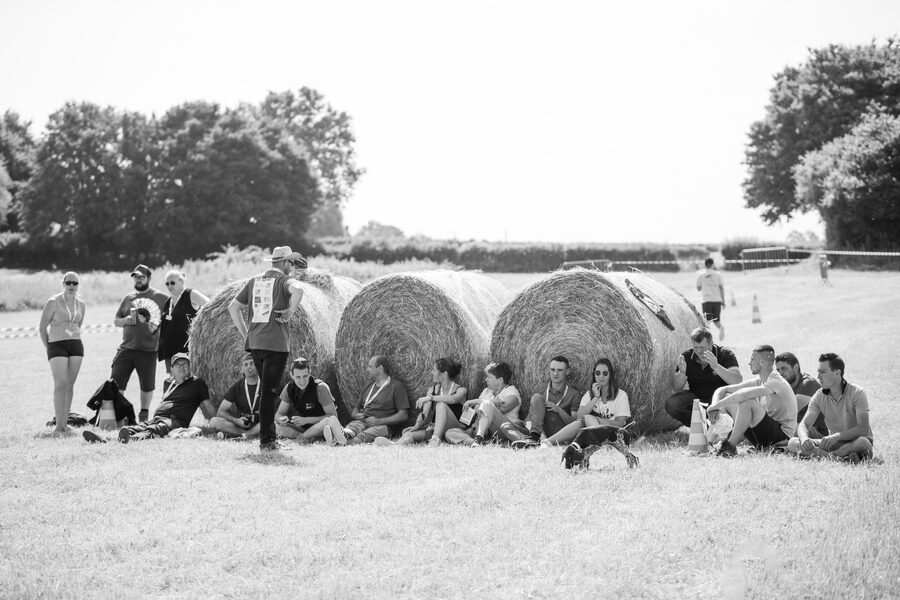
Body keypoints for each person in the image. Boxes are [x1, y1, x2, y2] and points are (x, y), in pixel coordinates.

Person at [228, 246, 306, 452]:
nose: (292, 267)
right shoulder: (282, 281)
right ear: (285, 263)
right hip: (275, 345)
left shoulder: (254, 281)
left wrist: (246, 334)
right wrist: (290, 310)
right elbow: (299, 290)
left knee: (266, 391)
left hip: (255, 344)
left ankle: (267, 438)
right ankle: (267, 441)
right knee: (269, 393)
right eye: (291, 263)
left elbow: (232, 307)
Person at [83, 353, 213, 443]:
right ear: (171, 369)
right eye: (178, 365)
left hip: (175, 421)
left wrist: (217, 421)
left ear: (189, 367)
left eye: (185, 364)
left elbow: (207, 406)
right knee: (137, 427)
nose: (182, 367)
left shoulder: (197, 383)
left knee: (154, 429)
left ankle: (129, 440)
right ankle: (105, 439)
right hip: (158, 418)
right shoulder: (168, 383)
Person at [706, 345, 797, 457]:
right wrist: (715, 406)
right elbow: (722, 390)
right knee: (728, 398)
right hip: (765, 435)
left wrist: (717, 405)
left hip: (781, 438)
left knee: (748, 402)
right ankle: (708, 443)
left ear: (762, 362)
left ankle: (729, 447)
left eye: (752, 359)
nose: (749, 363)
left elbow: (745, 394)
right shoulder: (760, 380)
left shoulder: (777, 381)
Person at [787, 353, 874, 462]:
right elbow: (804, 424)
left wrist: (837, 436)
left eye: (823, 372)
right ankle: (839, 458)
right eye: (818, 372)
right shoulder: (819, 396)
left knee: (863, 442)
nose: (818, 376)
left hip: (854, 442)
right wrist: (804, 439)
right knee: (793, 443)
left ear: (837, 373)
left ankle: (827, 455)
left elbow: (863, 428)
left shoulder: (857, 393)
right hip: (833, 444)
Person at [110, 264, 169, 422]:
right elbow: (116, 321)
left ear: (149, 278)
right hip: (126, 348)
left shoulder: (161, 297)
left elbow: (170, 320)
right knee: (116, 382)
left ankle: (144, 415)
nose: (138, 279)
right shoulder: (128, 298)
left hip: (149, 349)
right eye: (136, 277)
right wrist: (126, 320)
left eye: (142, 277)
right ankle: (120, 416)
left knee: (147, 386)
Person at [38, 271, 87, 436]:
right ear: (63, 284)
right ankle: (58, 427)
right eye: (69, 283)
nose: (72, 286)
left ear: (78, 285)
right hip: (56, 345)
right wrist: (49, 347)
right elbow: (42, 327)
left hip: (76, 346)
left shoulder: (81, 304)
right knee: (60, 385)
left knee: (69, 385)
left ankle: (65, 425)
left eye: (75, 283)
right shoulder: (53, 302)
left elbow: (78, 324)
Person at [321, 356, 409, 445]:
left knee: (361, 437)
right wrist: (356, 415)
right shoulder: (368, 386)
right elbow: (356, 409)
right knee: (351, 429)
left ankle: (338, 440)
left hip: (383, 426)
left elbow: (403, 415)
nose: (367, 369)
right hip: (362, 422)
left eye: (370, 366)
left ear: (380, 368)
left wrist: (379, 421)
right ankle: (343, 435)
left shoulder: (396, 386)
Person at [542, 357, 631, 446]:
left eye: (605, 373)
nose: (601, 377)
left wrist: (597, 420)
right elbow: (579, 417)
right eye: (597, 373)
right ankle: (547, 442)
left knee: (588, 418)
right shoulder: (589, 395)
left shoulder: (621, 395)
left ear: (610, 375)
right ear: (594, 375)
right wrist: (596, 397)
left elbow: (619, 424)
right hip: (591, 433)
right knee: (581, 422)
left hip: (613, 434)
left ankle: (602, 443)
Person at [664, 326, 741, 428]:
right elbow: (676, 388)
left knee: (728, 402)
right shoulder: (687, 356)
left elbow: (737, 380)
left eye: (702, 348)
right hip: (697, 398)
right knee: (672, 404)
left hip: (721, 399)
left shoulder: (725, 354)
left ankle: (720, 424)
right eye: (695, 347)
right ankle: (705, 426)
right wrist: (682, 373)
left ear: (711, 344)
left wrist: (716, 367)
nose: (698, 351)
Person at [391, 358, 467, 445]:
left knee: (441, 405)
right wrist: (417, 425)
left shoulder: (461, 390)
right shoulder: (433, 390)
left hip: (453, 429)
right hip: (435, 429)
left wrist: (431, 398)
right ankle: (396, 444)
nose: (431, 372)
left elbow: (453, 399)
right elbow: (424, 413)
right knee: (409, 434)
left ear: (444, 374)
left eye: (434, 370)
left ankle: (435, 441)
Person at [510, 356, 581, 449]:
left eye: (560, 370)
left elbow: (574, 423)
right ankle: (533, 439)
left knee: (538, 400)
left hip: (557, 431)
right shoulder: (539, 388)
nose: (555, 373)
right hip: (539, 429)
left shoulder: (574, 394)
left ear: (567, 371)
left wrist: (559, 410)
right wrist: (523, 423)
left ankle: (535, 439)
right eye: (553, 369)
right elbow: (531, 416)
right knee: (506, 425)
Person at [274, 357, 339, 443]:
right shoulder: (289, 388)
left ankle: (301, 438)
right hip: (302, 428)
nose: (302, 381)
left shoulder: (321, 388)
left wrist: (306, 420)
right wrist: (281, 419)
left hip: (320, 426)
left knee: (327, 422)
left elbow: (333, 417)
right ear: (291, 376)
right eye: (298, 377)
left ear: (309, 373)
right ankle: (307, 437)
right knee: (272, 424)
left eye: (305, 376)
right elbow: (278, 414)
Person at [158, 269, 209, 374]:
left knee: (188, 382)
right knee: (174, 383)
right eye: (167, 283)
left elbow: (210, 305)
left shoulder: (190, 294)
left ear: (181, 281)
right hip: (171, 350)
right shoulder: (169, 301)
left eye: (172, 282)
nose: (169, 286)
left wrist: (202, 326)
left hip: (187, 349)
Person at [461, 362, 522, 446]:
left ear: (500, 379)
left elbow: (503, 408)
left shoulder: (511, 391)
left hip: (506, 429)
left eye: (489, 377)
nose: (486, 379)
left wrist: (476, 401)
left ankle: (478, 439)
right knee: (450, 432)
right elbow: (478, 410)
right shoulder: (486, 391)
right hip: (486, 430)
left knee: (486, 404)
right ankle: (484, 442)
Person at [210, 354, 262, 439]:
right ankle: (249, 434)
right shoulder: (237, 387)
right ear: (242, 369)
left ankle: (242, 436)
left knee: (270, 422)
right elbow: (221, 411)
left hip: (261, 423)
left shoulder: (266, 385)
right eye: (246, 364)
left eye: (252, 363)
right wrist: (236, 421)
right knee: (214, 422)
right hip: (242, 426)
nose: (249, 366)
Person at [775, 352, 827, 436]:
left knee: (784, 424)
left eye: (784, 368)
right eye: (778, 370)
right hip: (801, 429)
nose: (780, 374)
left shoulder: (808, 383)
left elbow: (787, 413)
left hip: (819, 434)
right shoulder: (787, 386)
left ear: (795, 367)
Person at [561, 424, 640, 470]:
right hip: (609, 435)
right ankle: (585, 468)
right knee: (585, 452)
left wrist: (584, 454)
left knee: (626, 453)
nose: (567, 463)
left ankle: (636, 464)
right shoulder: (580, 437)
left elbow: (598, 444)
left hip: (617, 434)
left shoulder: (585, 435)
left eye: (569, 459)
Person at [696, 257, 726, 340]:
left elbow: (698, 288)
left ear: (705, 264)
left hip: (706, 300)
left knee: (707, 322)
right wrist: (723, 301)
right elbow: (721, 288)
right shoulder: (718, 274)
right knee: (716, 321)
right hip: (717, 300)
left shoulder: (700, 274)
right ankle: (721, 328)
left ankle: (707, 339)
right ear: (713, 264)